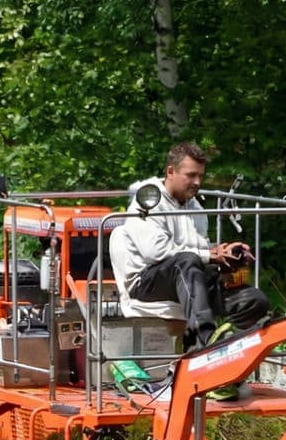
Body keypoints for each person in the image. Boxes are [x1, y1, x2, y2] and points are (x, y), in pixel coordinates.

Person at [109, 142, 270, 351]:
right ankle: (207, 344)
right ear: (170, 172)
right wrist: (209, 256)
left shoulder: (196, 207)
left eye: (201, 176)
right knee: (187, 261)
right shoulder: (148, 200)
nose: (197, 182)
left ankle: (232, 349)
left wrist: (224, 254)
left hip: (189, 280)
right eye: (191, 175)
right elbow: (157, 252)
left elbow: (199, 251)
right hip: (146, 284)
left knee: (254, 300)